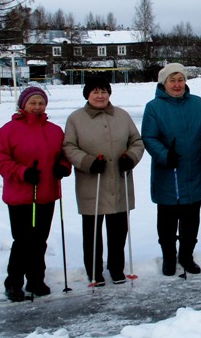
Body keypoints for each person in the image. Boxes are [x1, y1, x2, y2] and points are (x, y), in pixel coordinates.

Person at [63, 76, 145, 286]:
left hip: (119, 181)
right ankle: (94, 271)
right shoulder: (76, 118)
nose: (100, 96)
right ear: (87, 95)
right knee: (92, 232)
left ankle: (116, 268)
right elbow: (69, 147)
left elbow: (137, 141)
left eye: (104, 91)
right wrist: (88, 162)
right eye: (95, 92)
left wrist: (131, 157)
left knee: (118, 231)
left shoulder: (122, 116)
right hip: (92, 182)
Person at [0, 86, 72, 302]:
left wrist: (63, 167)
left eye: (41, 103)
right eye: (32, 103)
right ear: (22, 105)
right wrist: (23, 172)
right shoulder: (8, 130)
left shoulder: (55, 130)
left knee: (40, 240)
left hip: (46, 193)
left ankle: (36, 279)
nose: (37, 107)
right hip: (20, 196)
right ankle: (14, 282)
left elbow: (65, 155)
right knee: (23, 240)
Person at [141, 63, 201, 276]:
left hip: (194, 170)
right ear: (163, 83)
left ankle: (186, 255)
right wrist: (165, 155)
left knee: (191, 219)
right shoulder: (154, 107)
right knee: (167, 221)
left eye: (180, 80)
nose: (177, 85)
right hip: (168, 173)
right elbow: (149, 137)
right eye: (172, 80)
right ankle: (169, 257)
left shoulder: (196, 103)